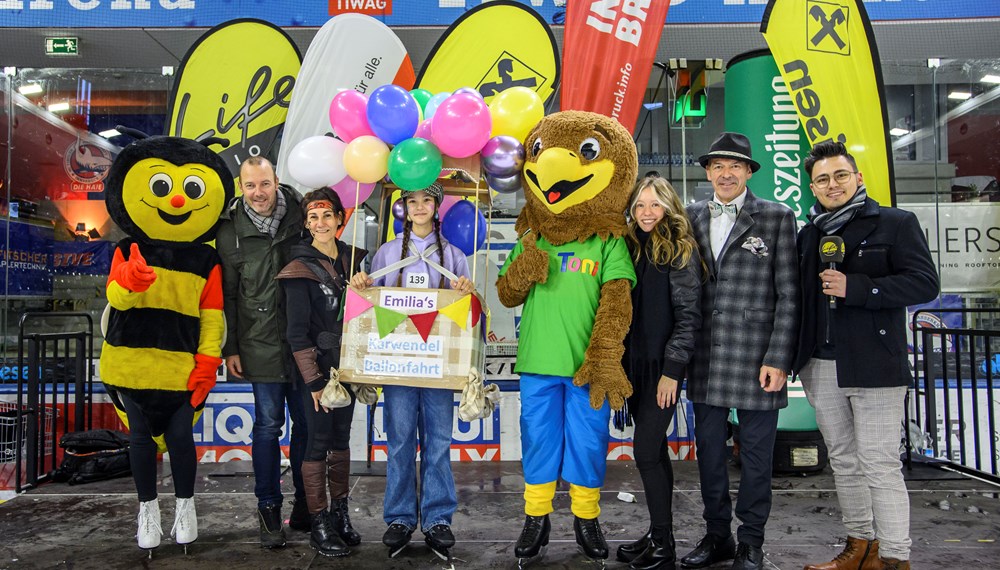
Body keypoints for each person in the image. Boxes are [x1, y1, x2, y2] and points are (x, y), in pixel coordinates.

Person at [793, 141, 938, 570]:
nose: (832, 184)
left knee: (879, 462)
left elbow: (924, 284)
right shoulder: (810, 234)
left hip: (876, 363)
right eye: (822, 179)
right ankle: (860, 547)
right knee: (842, 459)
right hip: (820, 364)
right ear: (813, 188)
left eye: (840, 175)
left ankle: (894, 557)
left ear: (858, 178)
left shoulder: (895, 223)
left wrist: (859, 288)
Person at [681, 132, 800, 570]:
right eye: (716, 166)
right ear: (708, 172)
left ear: (749, 171)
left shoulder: (776, 217)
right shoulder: (689, 217)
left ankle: (751, 540)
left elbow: (789, 295)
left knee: (755, 458)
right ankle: (717, 536)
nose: (725, 173)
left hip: (758, 358)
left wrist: (778, 357)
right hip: (705, 355)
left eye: (734, 166)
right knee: (709, 453)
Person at [350, 181, 475, 560]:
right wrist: (361, 285)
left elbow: (466, 311)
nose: (419, 207)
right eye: (412, 201)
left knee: (438, 443)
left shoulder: (453, 255)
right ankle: (400, 518)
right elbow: (372, 306)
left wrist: (467, 290)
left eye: (426, 200)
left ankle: (438, 518)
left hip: (438, 367)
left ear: (437, 206)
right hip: (399, 367)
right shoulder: (387, 253)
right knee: (400, 442)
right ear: (403, 207)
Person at [216, 156, 309, 548]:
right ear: (241, 187)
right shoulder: (228, 232)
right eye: (250, 186)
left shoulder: (303, 216)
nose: (258, 193)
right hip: (259, 345)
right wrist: (231, 347)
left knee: (307, 428)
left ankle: (308, 503)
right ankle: (268, 509)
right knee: (269, 428)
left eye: (265, 184)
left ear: (276, 182)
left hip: (304, 345)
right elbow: (229, 296)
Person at [617, 175, 702, 570]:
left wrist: (672, 371)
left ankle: (664, 545)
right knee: (655, 455)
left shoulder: (680, 250)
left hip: (661, 372)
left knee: (646, 451)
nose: (646, 213)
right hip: (632, 367)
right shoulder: (630, 247)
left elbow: (688, 319)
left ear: (668, 206)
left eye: (654, 204)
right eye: (639, 205)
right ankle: (658, 533)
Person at [275, 187, 366, 557]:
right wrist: (313, 381)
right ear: (306, 224)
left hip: (349, 367)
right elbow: (295, 333)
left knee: (341, 441)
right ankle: (319, 523)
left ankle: (341, 514)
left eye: (326, 215)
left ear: (340, 219)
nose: (320, 222)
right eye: (313, 217)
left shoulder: (356, 259)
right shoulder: (298, 267)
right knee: (316, 442)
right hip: (316, 373)